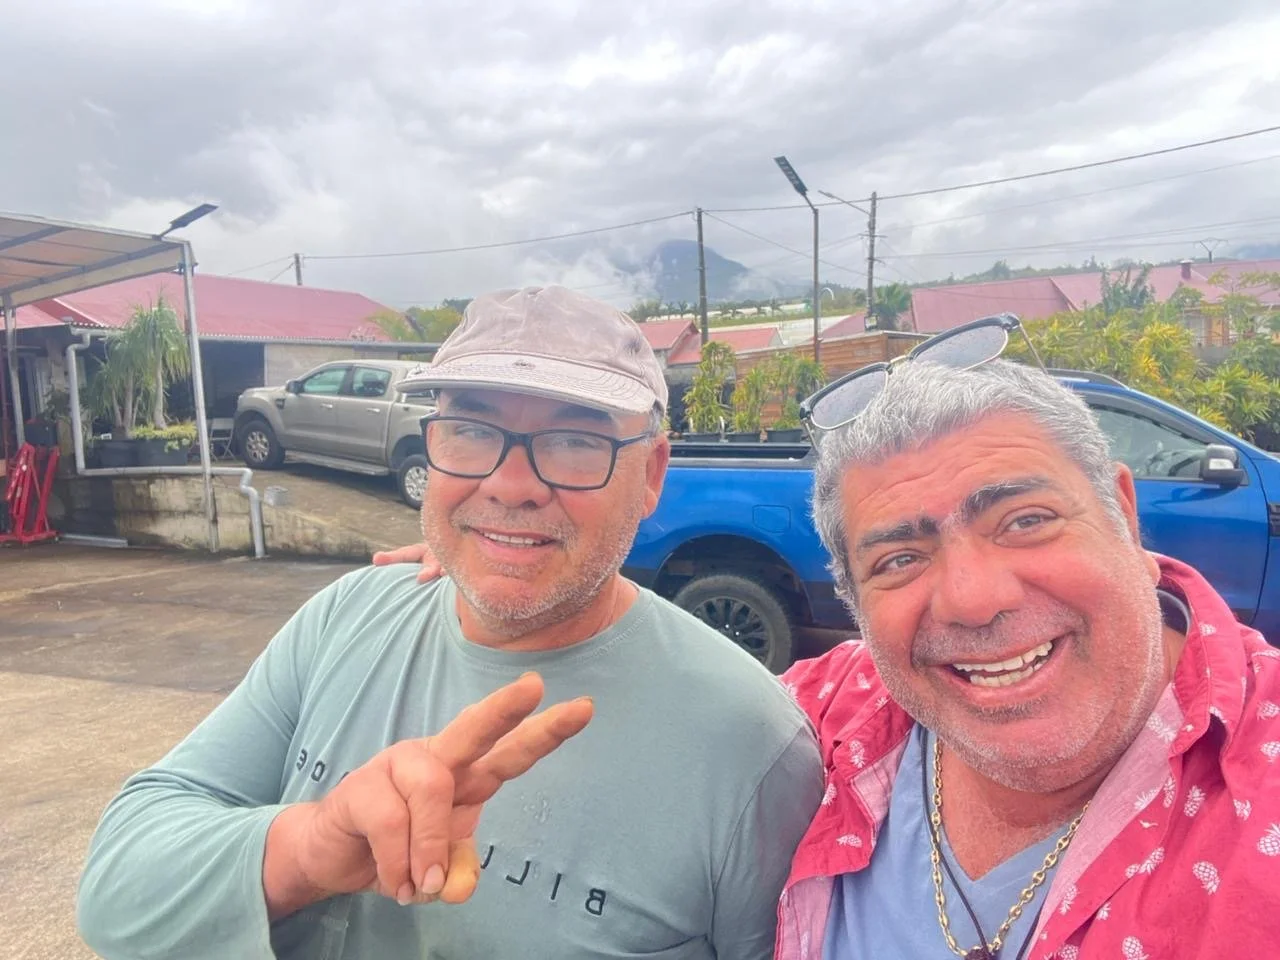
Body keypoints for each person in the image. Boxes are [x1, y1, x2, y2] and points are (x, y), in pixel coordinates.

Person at [386, 316, 1280, 959]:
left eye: (1025, 521)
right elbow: (666, 693)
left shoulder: (1261, 784)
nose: (970, 599)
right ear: (853, 597)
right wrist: (507, 568)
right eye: (899, 559)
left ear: (1122, 512)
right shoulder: (831, 721)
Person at [76, 285, 823, 960]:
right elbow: (116, 890)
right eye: (470, 428)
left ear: (653, 472)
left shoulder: (750, 747)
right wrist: (309, 845)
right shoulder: (350, 616)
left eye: (574, 442)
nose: (510, 483)